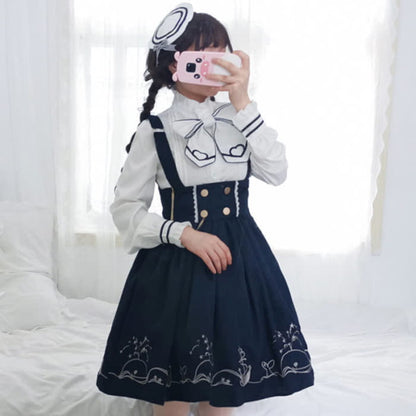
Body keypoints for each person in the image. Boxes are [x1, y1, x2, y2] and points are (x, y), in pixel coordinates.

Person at [96, 3, 315, 416]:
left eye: (222, 53)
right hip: (176, 271)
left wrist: (243, 102)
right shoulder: (155, 131)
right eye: (204, 54)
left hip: (239, 265)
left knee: (224, 391)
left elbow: (277, 171)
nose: (215, 63)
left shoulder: (240, 119)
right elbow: (125, 209)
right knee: (175, 395)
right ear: (175, 64)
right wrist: (184, 234)